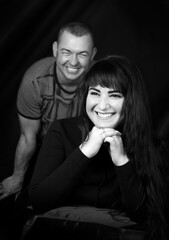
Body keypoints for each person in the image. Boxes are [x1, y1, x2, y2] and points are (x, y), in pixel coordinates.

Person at [28, 55, 169, 239]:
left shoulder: (152, 145)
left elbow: (143, 216)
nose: (102, 105)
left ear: (131, 101)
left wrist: (121, 161)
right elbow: (39, 201)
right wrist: (85, 151)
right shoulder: (61, 131)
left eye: (114, 95)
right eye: (95, 93)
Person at [0, 21, 97, 201]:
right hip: (47, 154)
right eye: (66, 52)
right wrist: (17, 177)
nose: (73, 62)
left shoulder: (101, 81)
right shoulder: (34, 82)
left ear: (93, 54)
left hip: (88, 157)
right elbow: (28, 138)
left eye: (82, 54)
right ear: (55, 49)